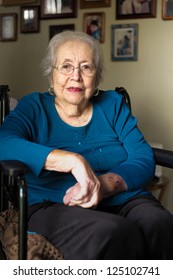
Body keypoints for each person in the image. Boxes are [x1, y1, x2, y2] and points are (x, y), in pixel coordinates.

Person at [0, 30, 173, 260]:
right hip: (53, 204)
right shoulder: (34, 107)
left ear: (97, 75)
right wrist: (71, 160)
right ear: (51, 75)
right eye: (66, 66)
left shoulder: (113, 104)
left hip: (123, 198)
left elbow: (142, 157)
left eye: (86, 67)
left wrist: (103, 184)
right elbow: (4, 142)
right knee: (114, 233)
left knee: (160, 224)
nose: (76, 76)